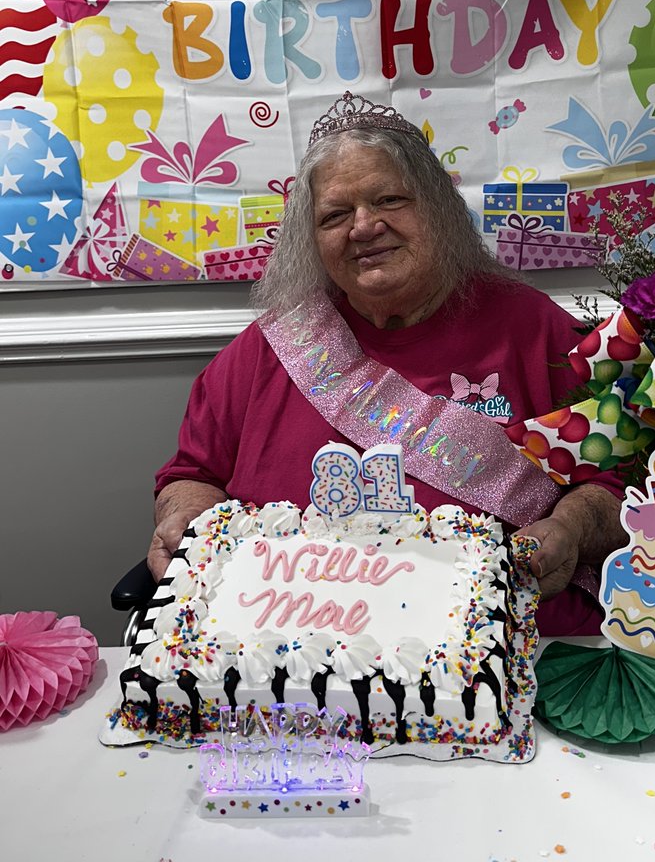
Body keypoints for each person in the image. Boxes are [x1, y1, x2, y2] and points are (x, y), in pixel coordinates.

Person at [149, 91, 627, 635]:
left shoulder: (537, 328)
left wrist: (569, 527)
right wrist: (185, 519)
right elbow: (193, 476)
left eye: (389, 200)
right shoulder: (270, 347)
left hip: (495, 650)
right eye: (334, 215)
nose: (363, 226)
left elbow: (618, 487)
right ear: (312, 238)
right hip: (286, 650)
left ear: (438, 207)